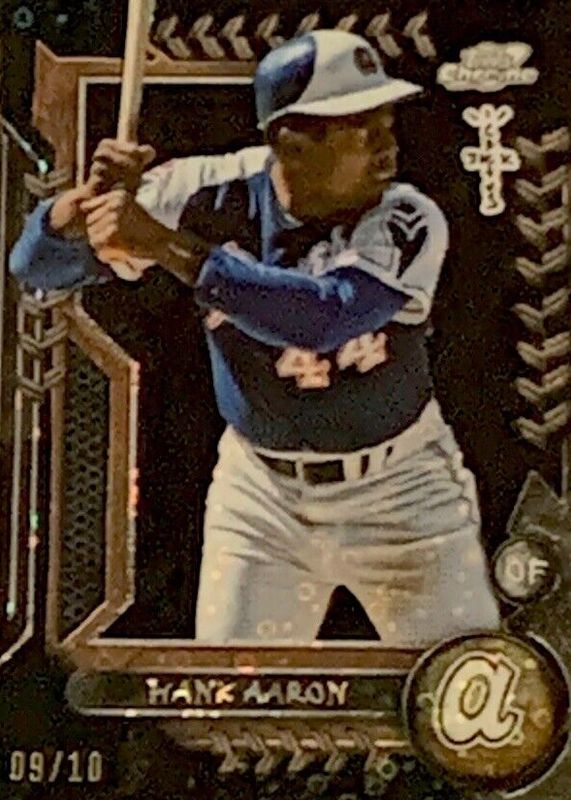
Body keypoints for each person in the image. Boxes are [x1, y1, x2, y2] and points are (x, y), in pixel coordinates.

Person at [10, 29, 500, 644]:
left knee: (467, 685)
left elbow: (326, 317)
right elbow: (37, 268)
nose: (387, 145)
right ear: (289, 139)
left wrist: (163, 245)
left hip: (402, 492)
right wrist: (79, 210)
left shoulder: (406, 215)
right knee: (229, 689)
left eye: (385, 122)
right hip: (261, 500)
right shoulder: (204, 190)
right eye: (359, 127)